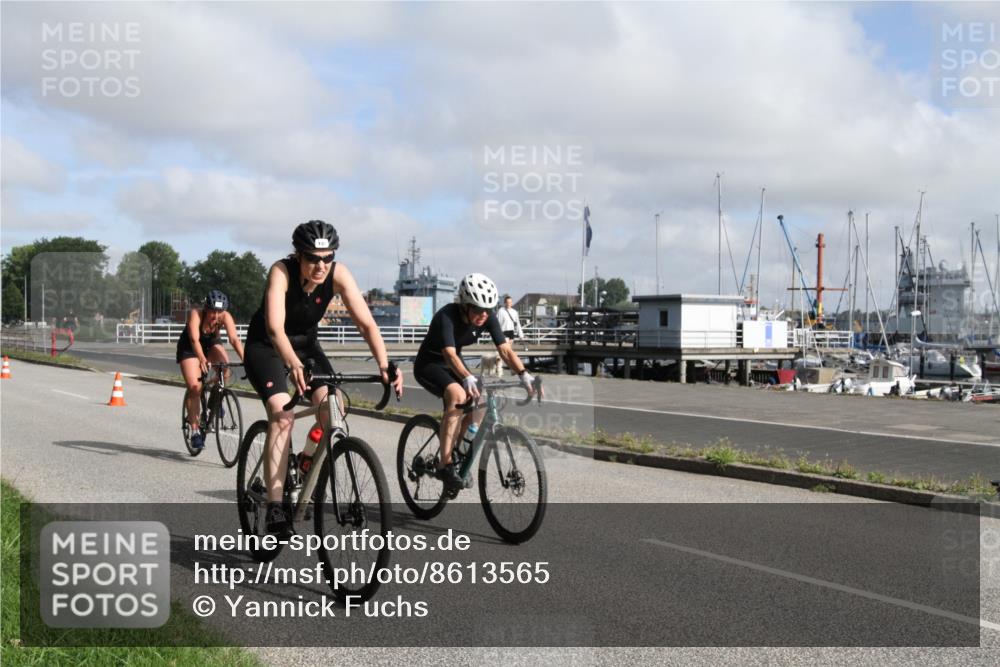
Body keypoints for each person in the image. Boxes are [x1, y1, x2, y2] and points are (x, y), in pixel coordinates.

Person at [243, 220, 404, 536]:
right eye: (313, 258)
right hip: (267, 347)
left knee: (335, 409)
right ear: (298, 256)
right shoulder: (281, 271)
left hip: (306, 347)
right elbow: (275, 328)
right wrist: (292, 364)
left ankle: (305, 462)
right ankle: (275, 507)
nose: (320, 266)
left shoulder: (338, 274)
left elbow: (367, 325)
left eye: (327, 258)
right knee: (283, 415)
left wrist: (386, 366)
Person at [413, 273, 538, 490]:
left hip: (455, 364)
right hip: (431, 363)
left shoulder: (488, 317)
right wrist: (467, 377)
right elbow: (450, 354)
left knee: (478, 401)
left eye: (488, 310)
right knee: (458, 395)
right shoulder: (447, 316)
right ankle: (445, 463)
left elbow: (505, 350)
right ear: (464, 305)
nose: (483, 315)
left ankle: (459, 453)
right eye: (478, 309)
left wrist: (524, 374)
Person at [176, 290, 246, 450]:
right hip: (190, 348)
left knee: (225, 369)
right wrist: (201, 358)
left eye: (219, 311)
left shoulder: (225, 317)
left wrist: (246, 361)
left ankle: (215, 401)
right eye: (212, 311)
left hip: (210, 343)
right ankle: (194, 432)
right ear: (206, 308)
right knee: (195, 387)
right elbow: (194, 339)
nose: (215, 316)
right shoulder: (196, 314)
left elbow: (234, 339)